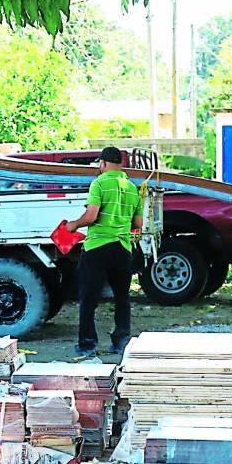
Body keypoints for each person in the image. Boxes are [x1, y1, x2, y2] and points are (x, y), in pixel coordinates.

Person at [63, 146, 143, 358]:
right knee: (122, 297)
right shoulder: (132, 188)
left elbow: (91, 216)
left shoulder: (98, 183)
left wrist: (73, 225)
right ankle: (121, 340)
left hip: (97, 248)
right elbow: (138, 223)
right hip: (123, 249)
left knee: (89, 298)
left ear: (103, 163)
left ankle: (87, 344)